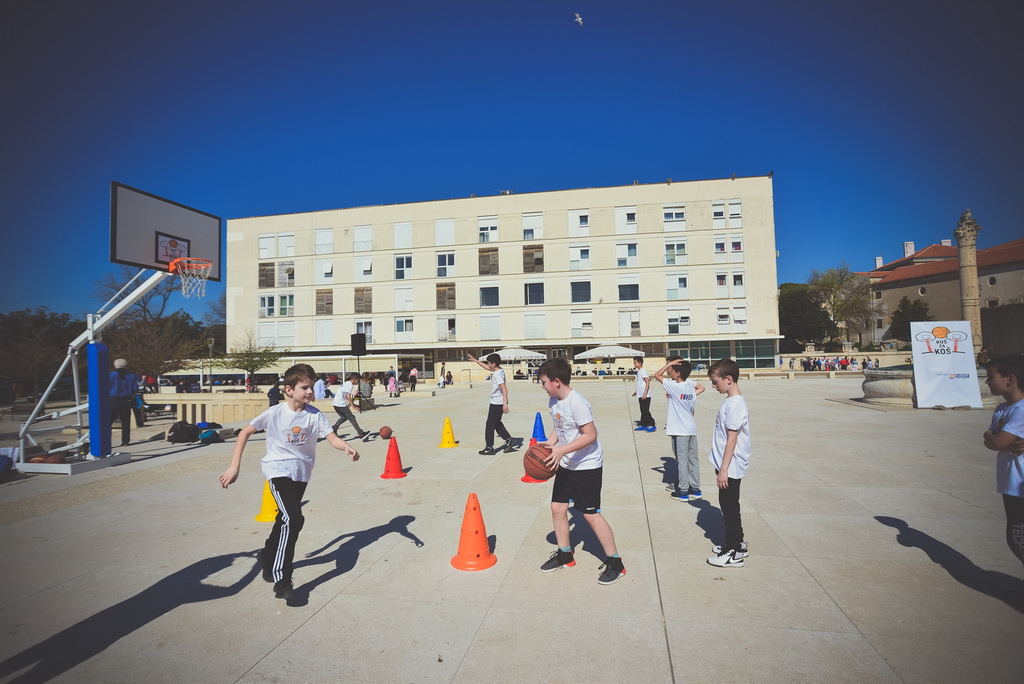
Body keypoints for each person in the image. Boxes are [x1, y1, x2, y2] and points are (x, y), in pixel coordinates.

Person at [218, 364, 360, 600]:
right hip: (277, 470)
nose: (310, 392)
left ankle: (267, 553)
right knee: (294, 518)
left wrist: (345, 446)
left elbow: (332, 437)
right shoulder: (275, 412)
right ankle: (282, 578)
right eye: (305, 387)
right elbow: (244, 433)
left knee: (285, 519)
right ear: (289, 389)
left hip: (301, 473)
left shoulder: (314, 415)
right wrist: (235, 466)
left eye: (312, 387)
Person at [536, 357, 625, 584]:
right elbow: (560, 427)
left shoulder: (578, 403)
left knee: (590, 514)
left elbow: (590, 435)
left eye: (544, 382)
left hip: (587, 465)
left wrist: (561, 450)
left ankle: (616, 562)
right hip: (567, 462)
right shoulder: (553, 401)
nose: (542, 386)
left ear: (557, 381)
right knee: (557, 507)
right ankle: (566, 554)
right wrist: (549, 444)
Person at [706, 358, 751, 568]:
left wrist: (723, 469)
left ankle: (734, 553)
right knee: (729, 506)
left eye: (715, 382)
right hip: (727, 465)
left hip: (730, 466)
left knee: (730, 508)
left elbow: (732, 440)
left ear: (729, 379)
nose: (713, 386)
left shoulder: (735, 405)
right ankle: (738, 543)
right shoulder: (731, 402)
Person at [982, 355, 1024, 583]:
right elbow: (991, 440)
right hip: (1011, 484)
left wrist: (993, 436)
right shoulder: (1001, 409)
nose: (987, 381)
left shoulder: (1020, 410)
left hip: (1020, 484)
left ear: (1010, 379)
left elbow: (996, 442)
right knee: (1015, 538)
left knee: (1017, 539)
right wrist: (990, 435)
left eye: (991, 377)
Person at [654, 356, 705, 502]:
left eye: (672, 370)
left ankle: (683, 490)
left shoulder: (675, 387)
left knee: (681, 460)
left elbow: (657, 375)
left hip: (679, 430)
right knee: (693, 459)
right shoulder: (690, 388)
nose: (669, 371)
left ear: (677, 373)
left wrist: (670, 363)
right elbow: (702, 387)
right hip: (691, 429)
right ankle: (695, 488)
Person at [467, 353, 516, 454]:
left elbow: (504, 388)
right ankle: (509, 439)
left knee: (489, 424)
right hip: (496, 401)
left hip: (497, 403)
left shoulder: (497, 374)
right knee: (496, 423)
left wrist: (505, 404)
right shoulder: (499, 370)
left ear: (493, 364)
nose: (488, 364)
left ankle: (489, 447)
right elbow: (486, 368)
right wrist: (475, 360)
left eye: (489, 363)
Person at [109, 358, 139, 447]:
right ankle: (125, 441)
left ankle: (107, 441)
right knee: (125, 422)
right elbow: (135, 389)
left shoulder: (110, 375)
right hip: (126, 399)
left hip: (113, 399)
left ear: (115, 365)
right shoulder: (131, 376)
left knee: (108, 421)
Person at [332, 373, 369, 440]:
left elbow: (346, 395)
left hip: (335, 403)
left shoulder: (346, 383)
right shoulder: (350, 385)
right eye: (358, 380)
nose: (358, 382)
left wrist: (353, 404)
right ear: (354, 379)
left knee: (343, 417)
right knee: (352, 418)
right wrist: (353, 406)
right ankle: (361, 433)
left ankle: (334, 428)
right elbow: (348, 396)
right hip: (340, 404)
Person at [631, 356, 656, 432]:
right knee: (642, 410)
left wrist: (645, 393)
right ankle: (643, 424)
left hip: (646, 395)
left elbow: (647, 382)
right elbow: (640, 384)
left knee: (645, 410)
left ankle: (652, 424)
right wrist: (636, 391)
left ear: (640, 363)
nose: (634, 364)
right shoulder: (639, 371)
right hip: (641, 394)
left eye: (635, 363)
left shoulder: (643, 371)